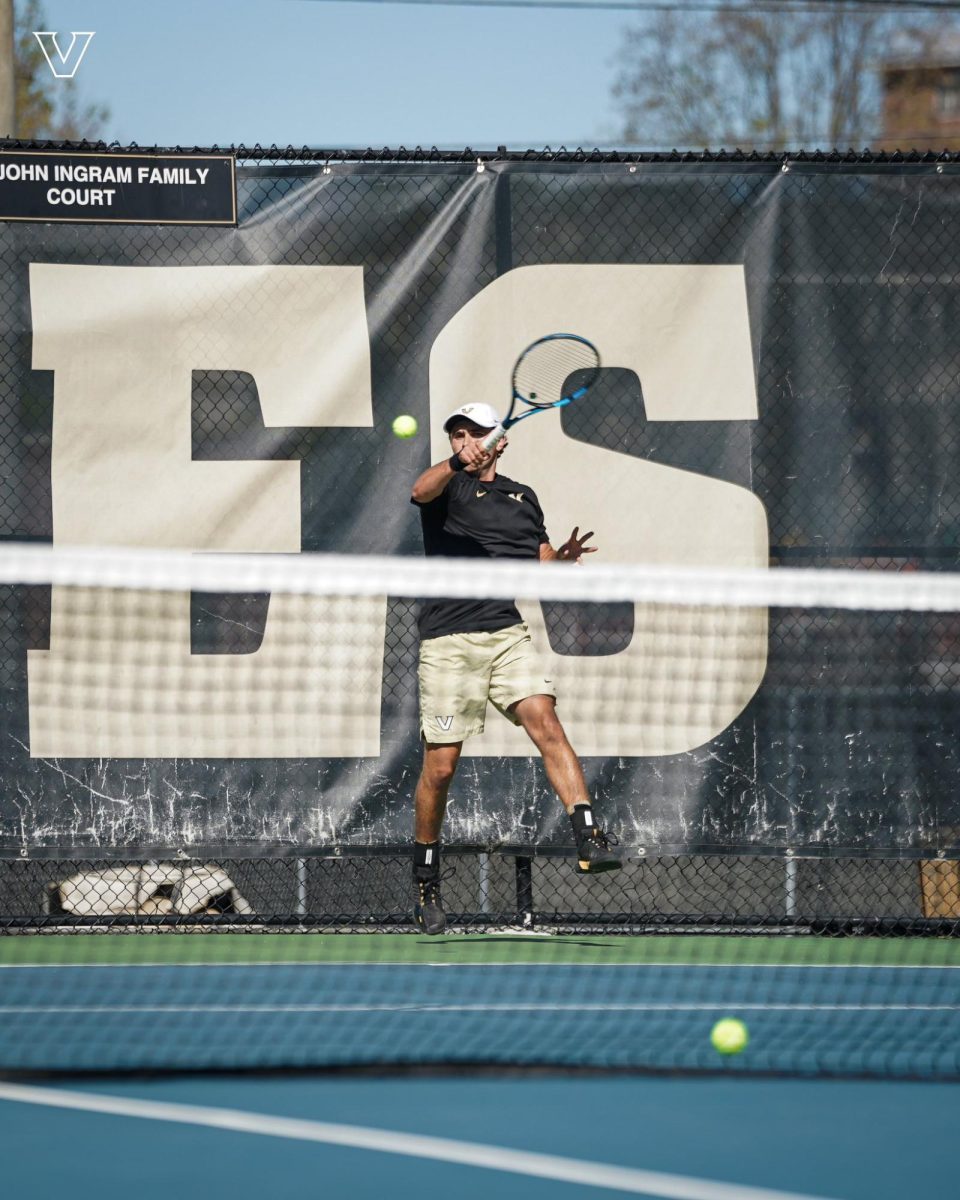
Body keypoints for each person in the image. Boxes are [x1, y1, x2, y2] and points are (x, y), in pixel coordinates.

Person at [409, 402, 621, 935]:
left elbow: (538, 558)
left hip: (506, 634)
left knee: (547, 723)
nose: (466, 441)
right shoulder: (447, 488)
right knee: (441, 768)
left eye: (476, 434)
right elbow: (419, 490)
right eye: (459, 435)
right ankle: (427, 880)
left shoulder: (522, 498)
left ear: (499, 442)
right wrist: (456, 463)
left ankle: (589, 836)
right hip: (449, 640)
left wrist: (562, 561)